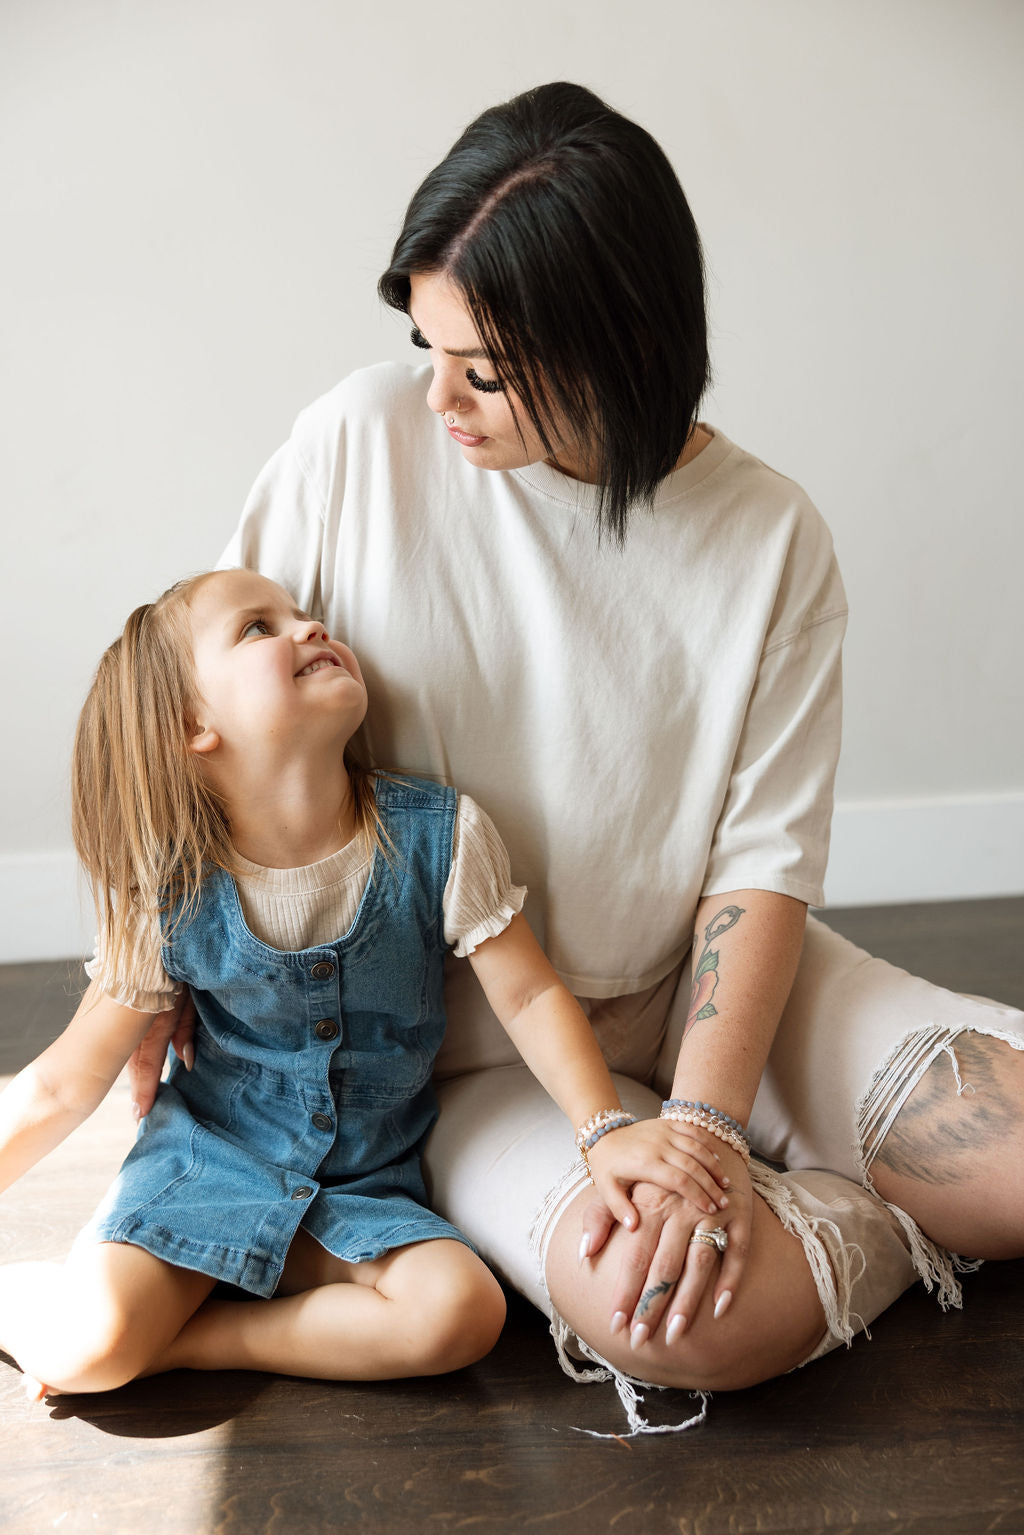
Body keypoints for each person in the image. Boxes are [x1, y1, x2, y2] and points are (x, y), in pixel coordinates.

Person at [130, 83, 1024, 1433]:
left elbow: (758, 869)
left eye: (481, 370)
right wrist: (150, 982)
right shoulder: (354, 445)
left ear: (620, 343)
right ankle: (876, 1208)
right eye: (423, 344)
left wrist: (709, 1133)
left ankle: (853, 1176)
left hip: (705, 993)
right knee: (685, 1321)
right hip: (471, 1054)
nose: (437, 399)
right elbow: (204, 707)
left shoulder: (771, 536)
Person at [0, 566, 733, 1401]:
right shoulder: (166, 894)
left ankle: (202, 1340)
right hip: (207, 1173)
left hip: (364, 1188)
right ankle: (64, 1306)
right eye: (257, 628)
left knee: (462, 1312)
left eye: (304, 614)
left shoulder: (443, 834)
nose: (308, 627)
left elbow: (529, 996)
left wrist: (604, 1131)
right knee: (84, 1354)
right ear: (191, 724)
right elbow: (63, 1081)